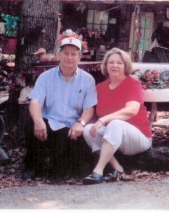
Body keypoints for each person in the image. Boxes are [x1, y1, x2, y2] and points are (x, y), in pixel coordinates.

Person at [23, 37, 97, 179]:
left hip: (73, 129)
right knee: (31, 124)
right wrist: (38, 121)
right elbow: (35, 102)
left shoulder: (88, 80)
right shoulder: (45, 77)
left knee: (71, 173)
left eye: (74, 54)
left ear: (79, 57)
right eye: (66, 53)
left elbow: (90, 108)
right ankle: (32, 165)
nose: (69, 57)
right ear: (59, 55)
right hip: (50, 126)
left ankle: (58, 166)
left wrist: (81, 123)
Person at [82, 48, 152, 185]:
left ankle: (98, 171)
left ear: (125, 66)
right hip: (113, 136)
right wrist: (83, 123)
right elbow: (94, 113)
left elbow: (131, 110)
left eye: (119, 63)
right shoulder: (100, 88)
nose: (114, 65)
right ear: (105, 66)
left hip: (138, 138)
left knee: (115, 123)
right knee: (88, 129)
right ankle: (117, 168)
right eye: (111, 62)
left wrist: (103, 120)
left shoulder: (133, 84)